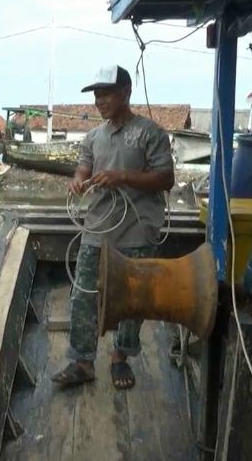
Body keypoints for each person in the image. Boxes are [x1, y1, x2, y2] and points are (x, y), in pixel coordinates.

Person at [52, 65, 174, 390]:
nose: (100, 100)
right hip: (98, 227)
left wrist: (122, 176)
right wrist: (78, 182)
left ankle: (121, 356)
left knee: (133, 299)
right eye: (97, 95)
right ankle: (82, 361)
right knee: (83, 295)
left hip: (138, 229)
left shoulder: (151, 133)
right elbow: (83, 169)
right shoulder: (94, 137)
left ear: (126, 92)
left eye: (106, 93)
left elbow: (166, 179)